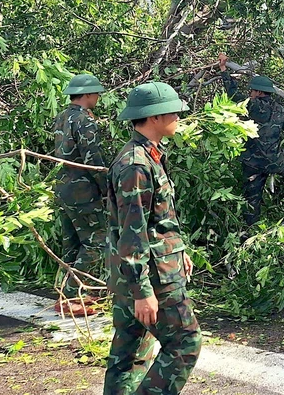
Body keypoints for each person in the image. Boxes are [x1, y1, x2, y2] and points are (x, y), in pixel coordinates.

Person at [104, 82, 200, 395]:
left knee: (129, 355)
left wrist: (179, 250)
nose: (177, 116)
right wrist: (143, 291)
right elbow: (133, 232)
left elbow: (158, 220)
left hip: (138, 271)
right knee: (185, 343)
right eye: (172, 111)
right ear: (154, 117)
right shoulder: (136, 164)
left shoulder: (148, 155)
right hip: (150, 276)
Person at [220, 54, 284, 225]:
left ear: (259, 92)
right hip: (273, 160)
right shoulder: (282, 110)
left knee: (251, 201)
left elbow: (233, 94)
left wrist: (223, 69)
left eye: (252, 91)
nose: (250, 93)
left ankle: (249, 234)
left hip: (251, 163)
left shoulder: (251, 105)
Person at [51, 73, 109, 316]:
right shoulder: (84, 120)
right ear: (87, 95)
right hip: (83, 189)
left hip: (63, 186)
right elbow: (91, 157)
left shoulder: (62, 116)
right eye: (95, 94)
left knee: (73, 242)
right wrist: (107, 187)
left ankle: (65, 294)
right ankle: (76, 295)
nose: (97, 98)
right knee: (98, 240)